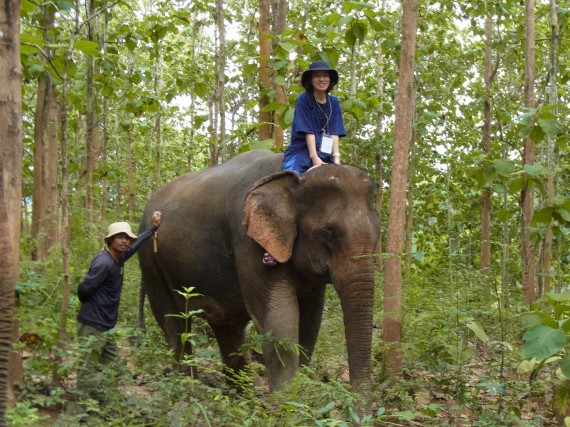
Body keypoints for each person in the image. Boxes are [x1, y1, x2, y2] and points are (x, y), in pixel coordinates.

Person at [263, 60, 346, 266]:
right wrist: (315, 160)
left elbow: (334, 132)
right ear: (310, 80)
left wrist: (336, 160)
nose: (321, 79)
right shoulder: (304, 100)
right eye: (317, 76)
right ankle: (274, 247)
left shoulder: (333, 103)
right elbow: (308, 132)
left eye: (325, 75)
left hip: (326, 155)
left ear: (330, 80)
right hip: (302, 154)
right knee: (287, 190)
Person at [75, 211, 161, 401]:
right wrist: (93, 307)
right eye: (120, 237)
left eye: (127, 238)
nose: (125, 241)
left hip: (107, 326)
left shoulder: (119, 257)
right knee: (87, 369)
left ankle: (105, 403)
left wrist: (153, 228)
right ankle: (78, 411)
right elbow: (84, 289)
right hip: (92, 325)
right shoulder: (103, 262)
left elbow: (137, 245)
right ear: (110, 240)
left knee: (112, 365)